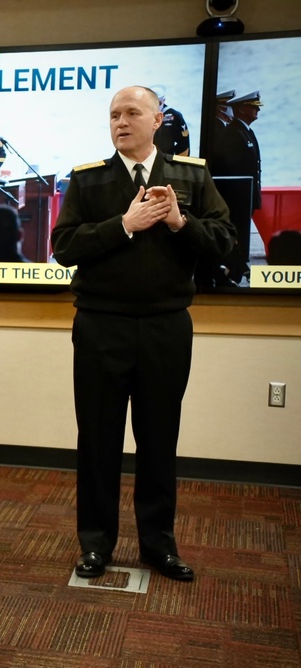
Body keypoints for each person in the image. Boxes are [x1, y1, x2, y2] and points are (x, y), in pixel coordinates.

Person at [50, 86, 235, 583]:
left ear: (157, 120)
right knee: (98, 440)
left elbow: (224, 242)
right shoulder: (88, 180)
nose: (121, 122)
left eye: (132, 113)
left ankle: (158, 545)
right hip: (100, 326)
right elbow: (63, 247)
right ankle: (95, 544)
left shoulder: (190, 176)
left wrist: (179, 220)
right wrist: (123, 225)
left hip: (165, 327)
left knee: (159, 439)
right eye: (114, 115)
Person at [212, 90, 263, 212]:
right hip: (237, 199)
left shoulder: (246, 132)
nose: (258, 110)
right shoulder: (234, 133)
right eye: (253, 106)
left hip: (246, 197)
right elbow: (231, 169)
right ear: (241, 110)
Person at [151, 85, 190, 157]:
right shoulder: (142, 114)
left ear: (164, 100)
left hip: (167, 158)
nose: (156, 106)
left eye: (159, 103)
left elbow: (184, 141)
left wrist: (179, 165)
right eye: (153, 103)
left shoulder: (175, 116)